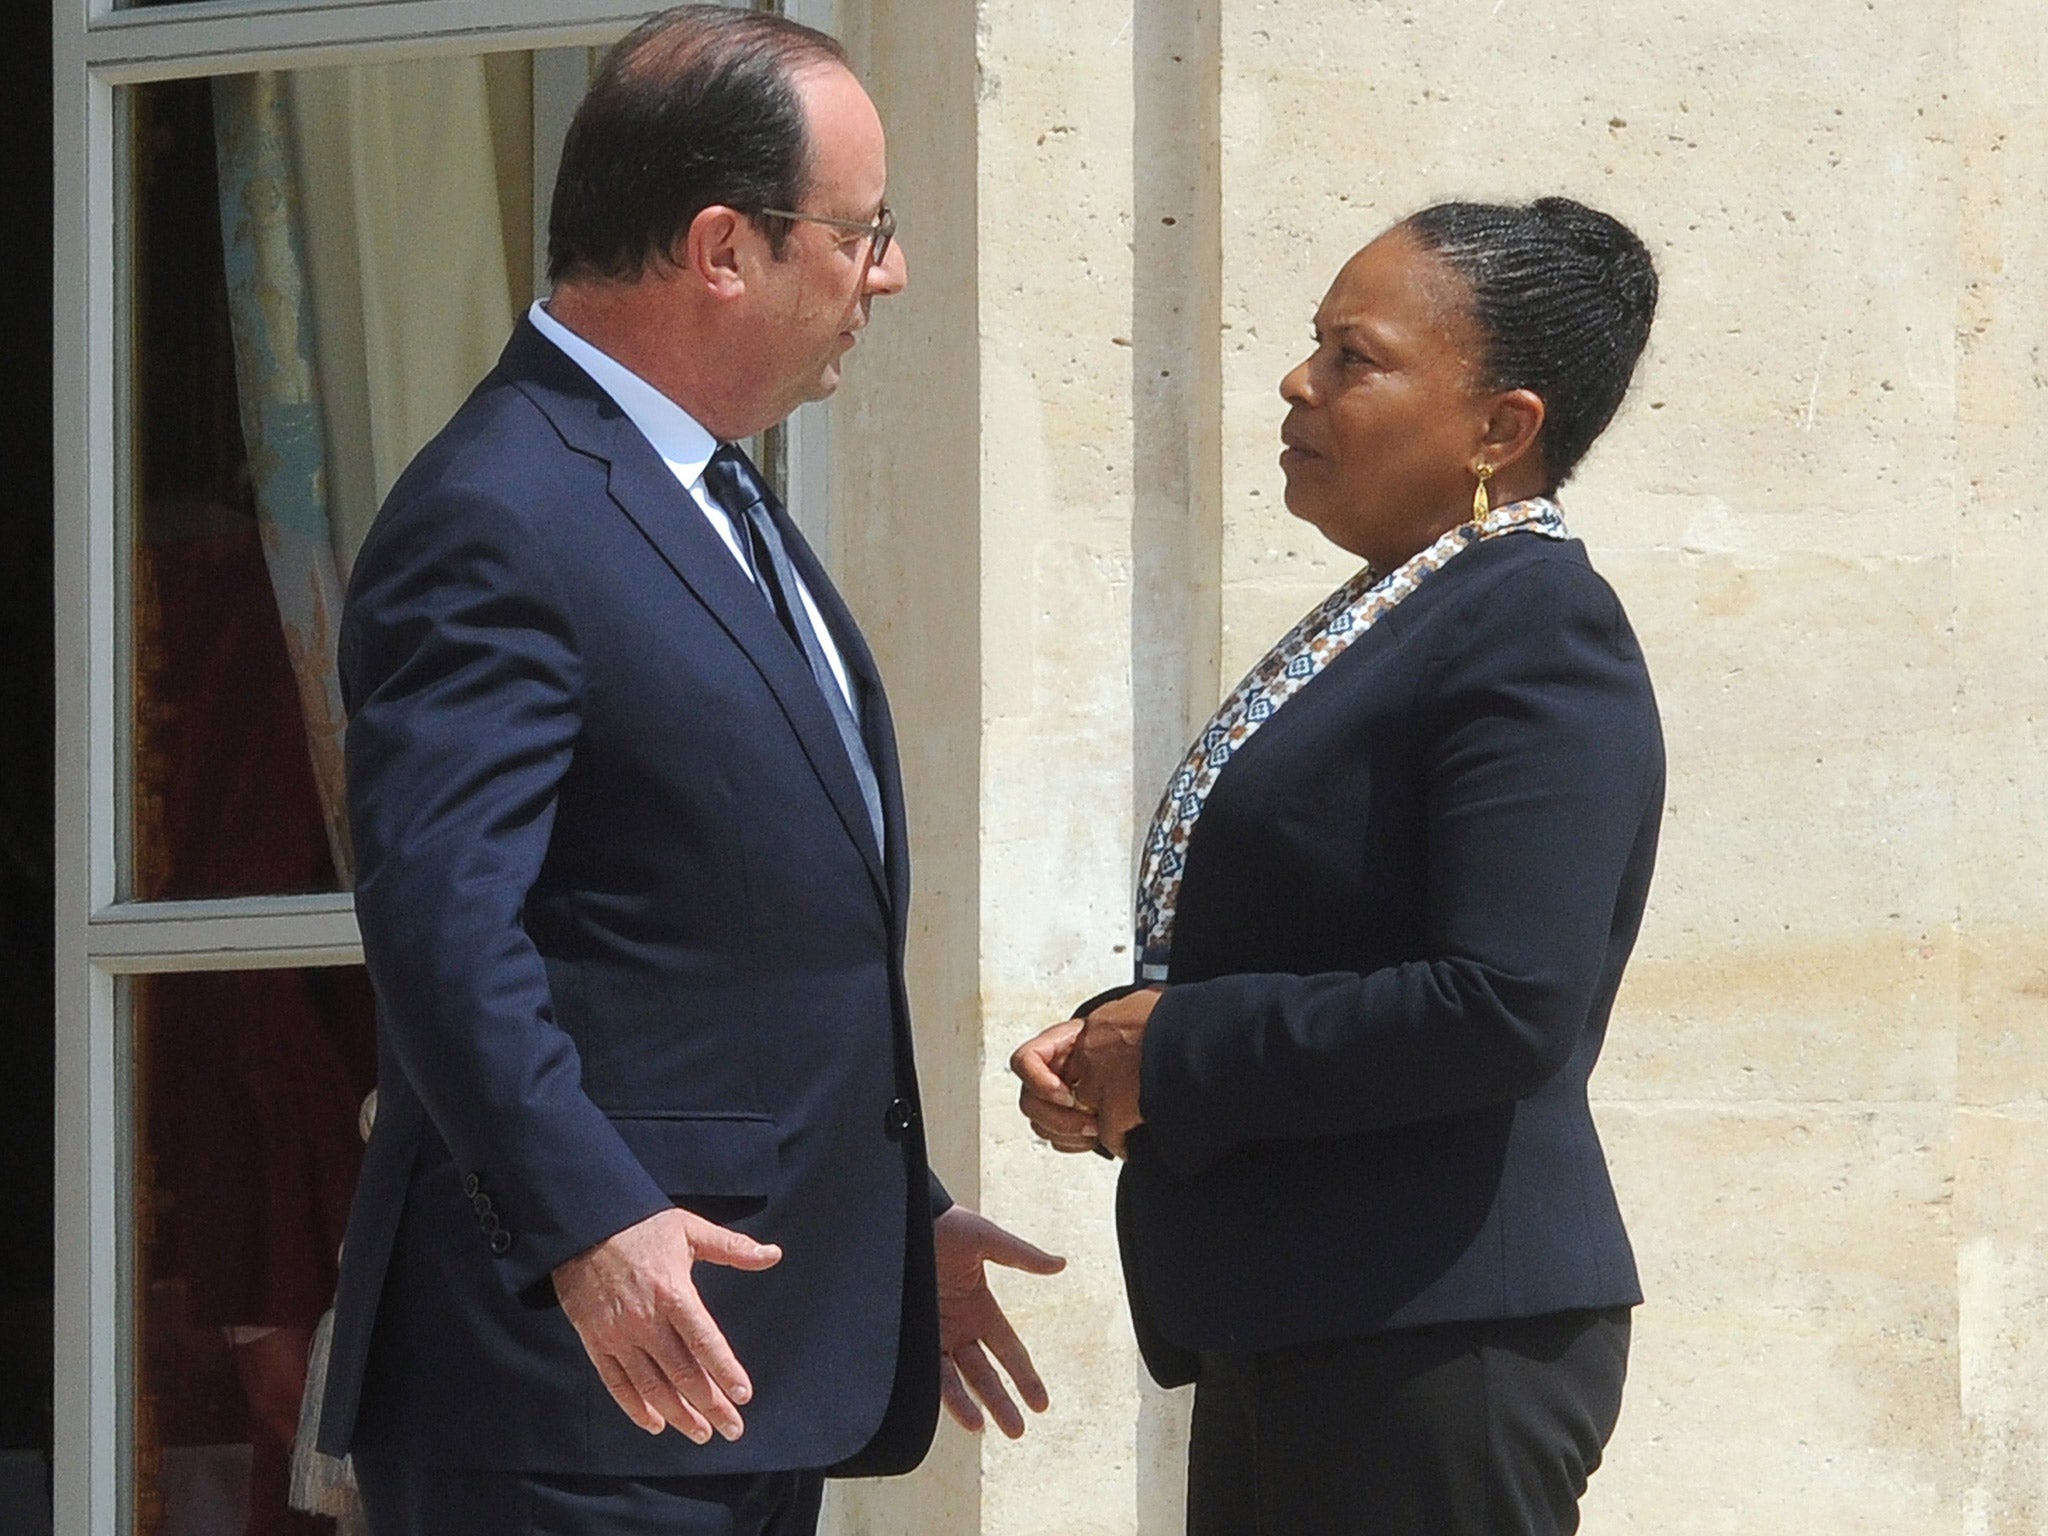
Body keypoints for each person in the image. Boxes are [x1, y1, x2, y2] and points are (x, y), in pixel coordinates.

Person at [318, 11, 1062, 1534]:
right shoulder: (505, 509)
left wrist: (883, 1217)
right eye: (866, 233)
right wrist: (589, 1219)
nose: (891, 275)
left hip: (721, 1369)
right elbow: (446, 921)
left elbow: (689, 936)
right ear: (726, 247)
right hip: (570, 1394)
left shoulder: (705, 489)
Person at [1015, 196, 1665, 1536]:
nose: (1297, 382)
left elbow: (1504, 1000)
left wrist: (1176, 1053)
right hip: (1321, 1321)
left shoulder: (1534, 628)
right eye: (1314, 346)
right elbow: (1325, 936)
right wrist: (1113, 1048)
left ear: (1503, 429)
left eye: (1352, 357)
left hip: (1433, 1337)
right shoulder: (1420, 610)